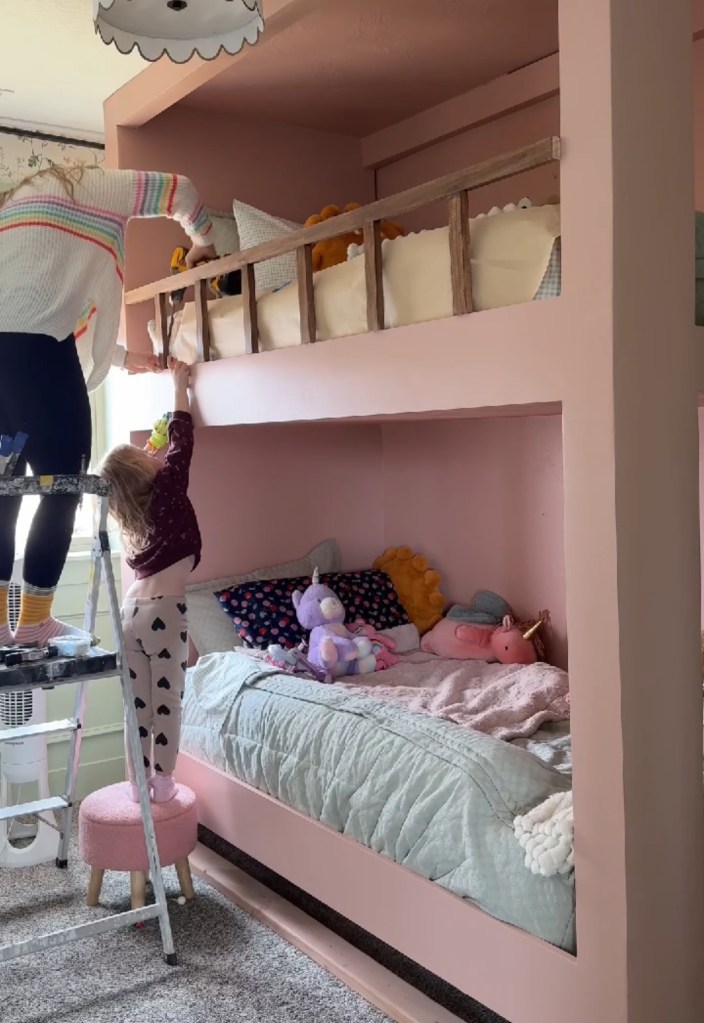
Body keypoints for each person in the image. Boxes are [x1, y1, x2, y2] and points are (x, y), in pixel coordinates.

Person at [0, 163, 215, 648]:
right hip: (40, 355)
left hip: (11, 358)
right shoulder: (100, 187)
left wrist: (120, 357)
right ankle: (32, 621)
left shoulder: (16, 208)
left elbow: (29, 307)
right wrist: (203, 243)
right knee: (64, 487)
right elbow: (183, 190)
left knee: (4, 491)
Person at [98, 358, 199, 803]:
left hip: (130, 613)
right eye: (145, 455)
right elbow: (181, 443)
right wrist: (179, 388)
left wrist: (144, 453)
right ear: (143, 472)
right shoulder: (169, 493)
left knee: (137, 707)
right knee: (166, 701)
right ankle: (163, 780)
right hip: (164, 613)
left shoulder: (133, 519)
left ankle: (138, 783)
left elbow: (153, 460)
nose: (152, 452)